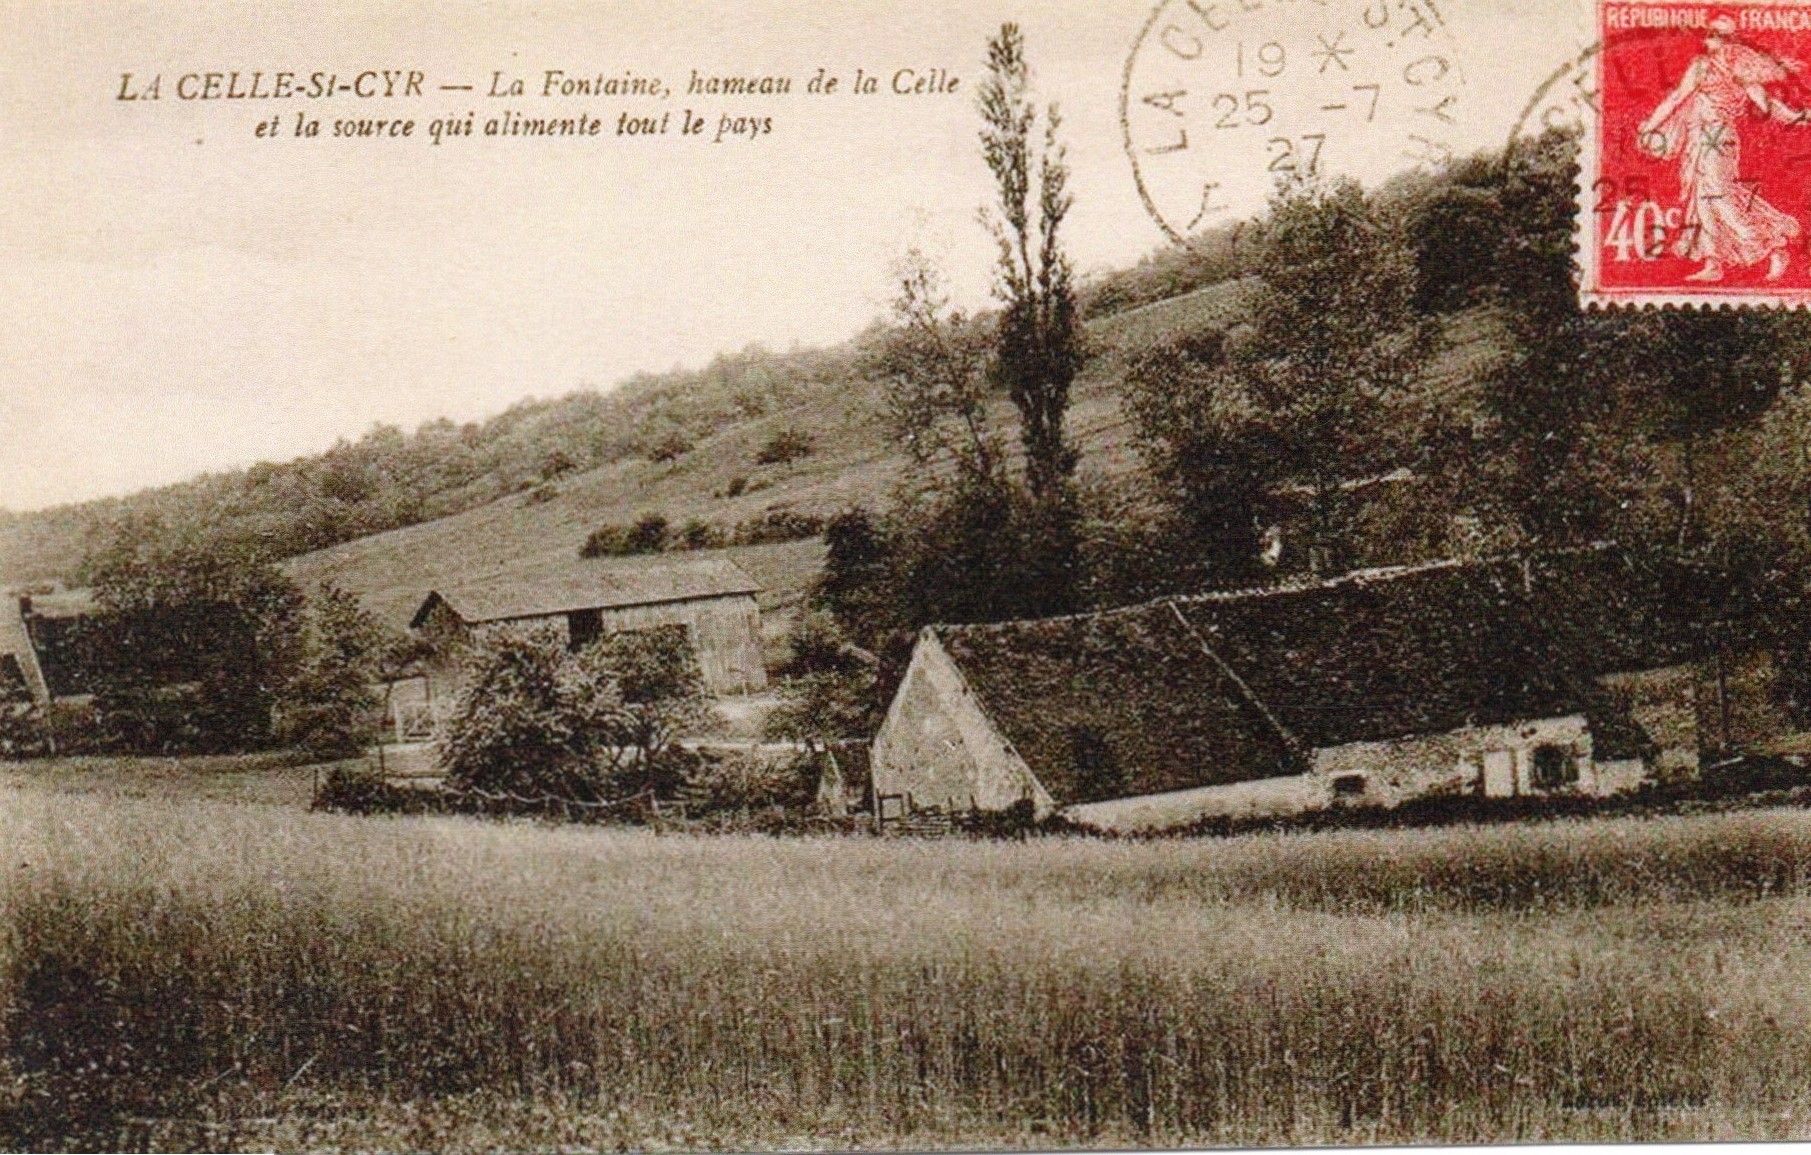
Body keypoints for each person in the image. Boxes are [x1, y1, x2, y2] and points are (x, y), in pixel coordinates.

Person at [1639, 14, 1809, 282]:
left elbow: (1767, 105)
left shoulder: (1740, 73)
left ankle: (1774, 246)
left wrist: (1798, 117)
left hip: (1719, 139)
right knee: (1703, 198)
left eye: (1722, 36)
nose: (1715, 40)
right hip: (1699, 140)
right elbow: (1676, 99)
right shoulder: (1701, 67)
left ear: (1731, 41)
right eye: (1712, 34)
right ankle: (1713, 262)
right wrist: (1650, 126)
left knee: (1720, 195)